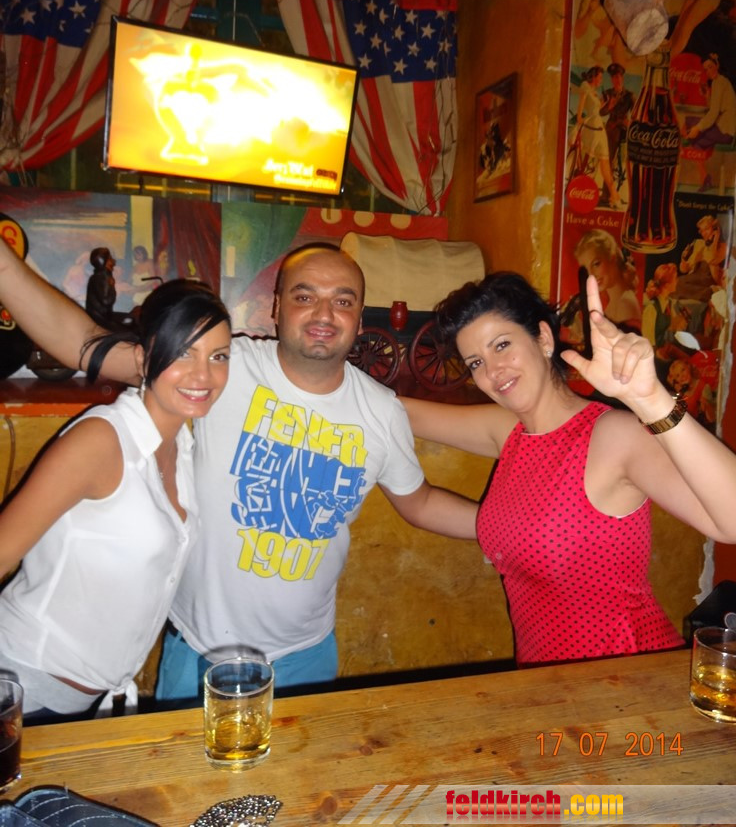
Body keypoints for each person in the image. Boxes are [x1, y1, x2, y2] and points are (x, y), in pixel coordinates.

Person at [0, 241, 477, 701]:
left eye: (343, 301)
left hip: (303, 656)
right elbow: (87, 345)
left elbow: (421, 503)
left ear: (360, 316)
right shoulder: (222, 367)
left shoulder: (382, 413)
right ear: (277, 307)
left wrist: (505, 527)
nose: (323, 314)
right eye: (305, 297)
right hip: (195, 650)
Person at [402, 271, 736, 667]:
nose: (493, 371)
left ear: (543, 338)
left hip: (627, 681)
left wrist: (652, 400)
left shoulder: (612, 435)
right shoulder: (510, 431)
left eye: (502, 345)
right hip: (546, 683)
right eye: (476, 362)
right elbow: (402, 414)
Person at [0, 279, 232, 722]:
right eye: (184, 353)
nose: (203, 375)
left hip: (88, 701)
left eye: (218, 356)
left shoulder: (182, 446)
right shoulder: (102, 441)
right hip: (23, 687)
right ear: (143, 359)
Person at [683, 53, 736, 192]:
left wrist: (697, 128)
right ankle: (705, 179)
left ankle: (684, 141)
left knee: (690, 122)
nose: (708, 71)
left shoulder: (720, 82)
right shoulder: (718, 82)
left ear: (717, 65)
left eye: (710, 66)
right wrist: (708, 96)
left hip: (726, 131)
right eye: (705, 69)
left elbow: (713, 113)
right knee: (696, 141)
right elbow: (716, 109)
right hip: (723, 129)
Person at [570, 65, 621, 208]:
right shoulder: (585, 87)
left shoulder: (594, 92)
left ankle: (613, 195)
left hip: (600, 130)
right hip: (591, 129)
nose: (601, 80)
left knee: (605, 164)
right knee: (587, 164)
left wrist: (606, 104)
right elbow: (581, 108)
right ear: (593, 77)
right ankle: (580, 191)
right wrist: (580, 119)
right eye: (599, 77)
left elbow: (596, 110)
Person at [574, 228, 640, 331]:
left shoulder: (625, 303)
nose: (591, 275)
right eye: (586, 270)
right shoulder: (613, 305)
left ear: (612, 258)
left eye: (596, 264)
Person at [676, 214, 728, 303]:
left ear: (715, 229)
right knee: (677, 282)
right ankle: (706, 293)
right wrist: (684, 261)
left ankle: (708, 293)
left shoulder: (723, 247)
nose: (704, 233)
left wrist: (715, 240)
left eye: (706, 229)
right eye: (702, 230)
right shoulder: (698, 243)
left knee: (680, 284)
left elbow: (712, 259)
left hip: (708, 277)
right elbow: (684, 269)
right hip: (695, 275)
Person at [599, 62, 633, 190]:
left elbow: (636, 113)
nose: (616, 80)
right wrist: (610, 106)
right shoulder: (607, 94)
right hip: (612, 129)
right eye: (614, 77)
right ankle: (607, 192)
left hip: (624, 128)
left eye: (618, 77)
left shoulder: (629, 95)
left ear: (622, 78)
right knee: (608, 159)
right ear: (611, 79)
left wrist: (629, 121)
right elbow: (601, 112)